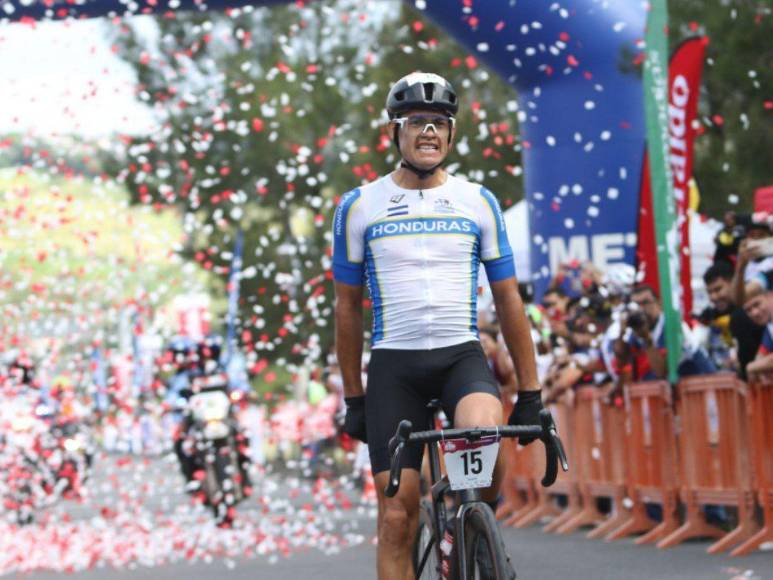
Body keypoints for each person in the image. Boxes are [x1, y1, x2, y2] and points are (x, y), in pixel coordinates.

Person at [333, 72, 544, 580]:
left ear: (450, 134)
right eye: (416, 122)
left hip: (460, 357)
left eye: (439, 123)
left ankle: (470, 526)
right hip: (394, 368)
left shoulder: (478, 200)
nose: (428, 132)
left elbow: (507, 298)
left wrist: (531, 387)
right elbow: (346, 308)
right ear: (395, 132)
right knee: (397, 516)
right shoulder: (359, 205)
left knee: (485, 437)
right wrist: (355, 397)